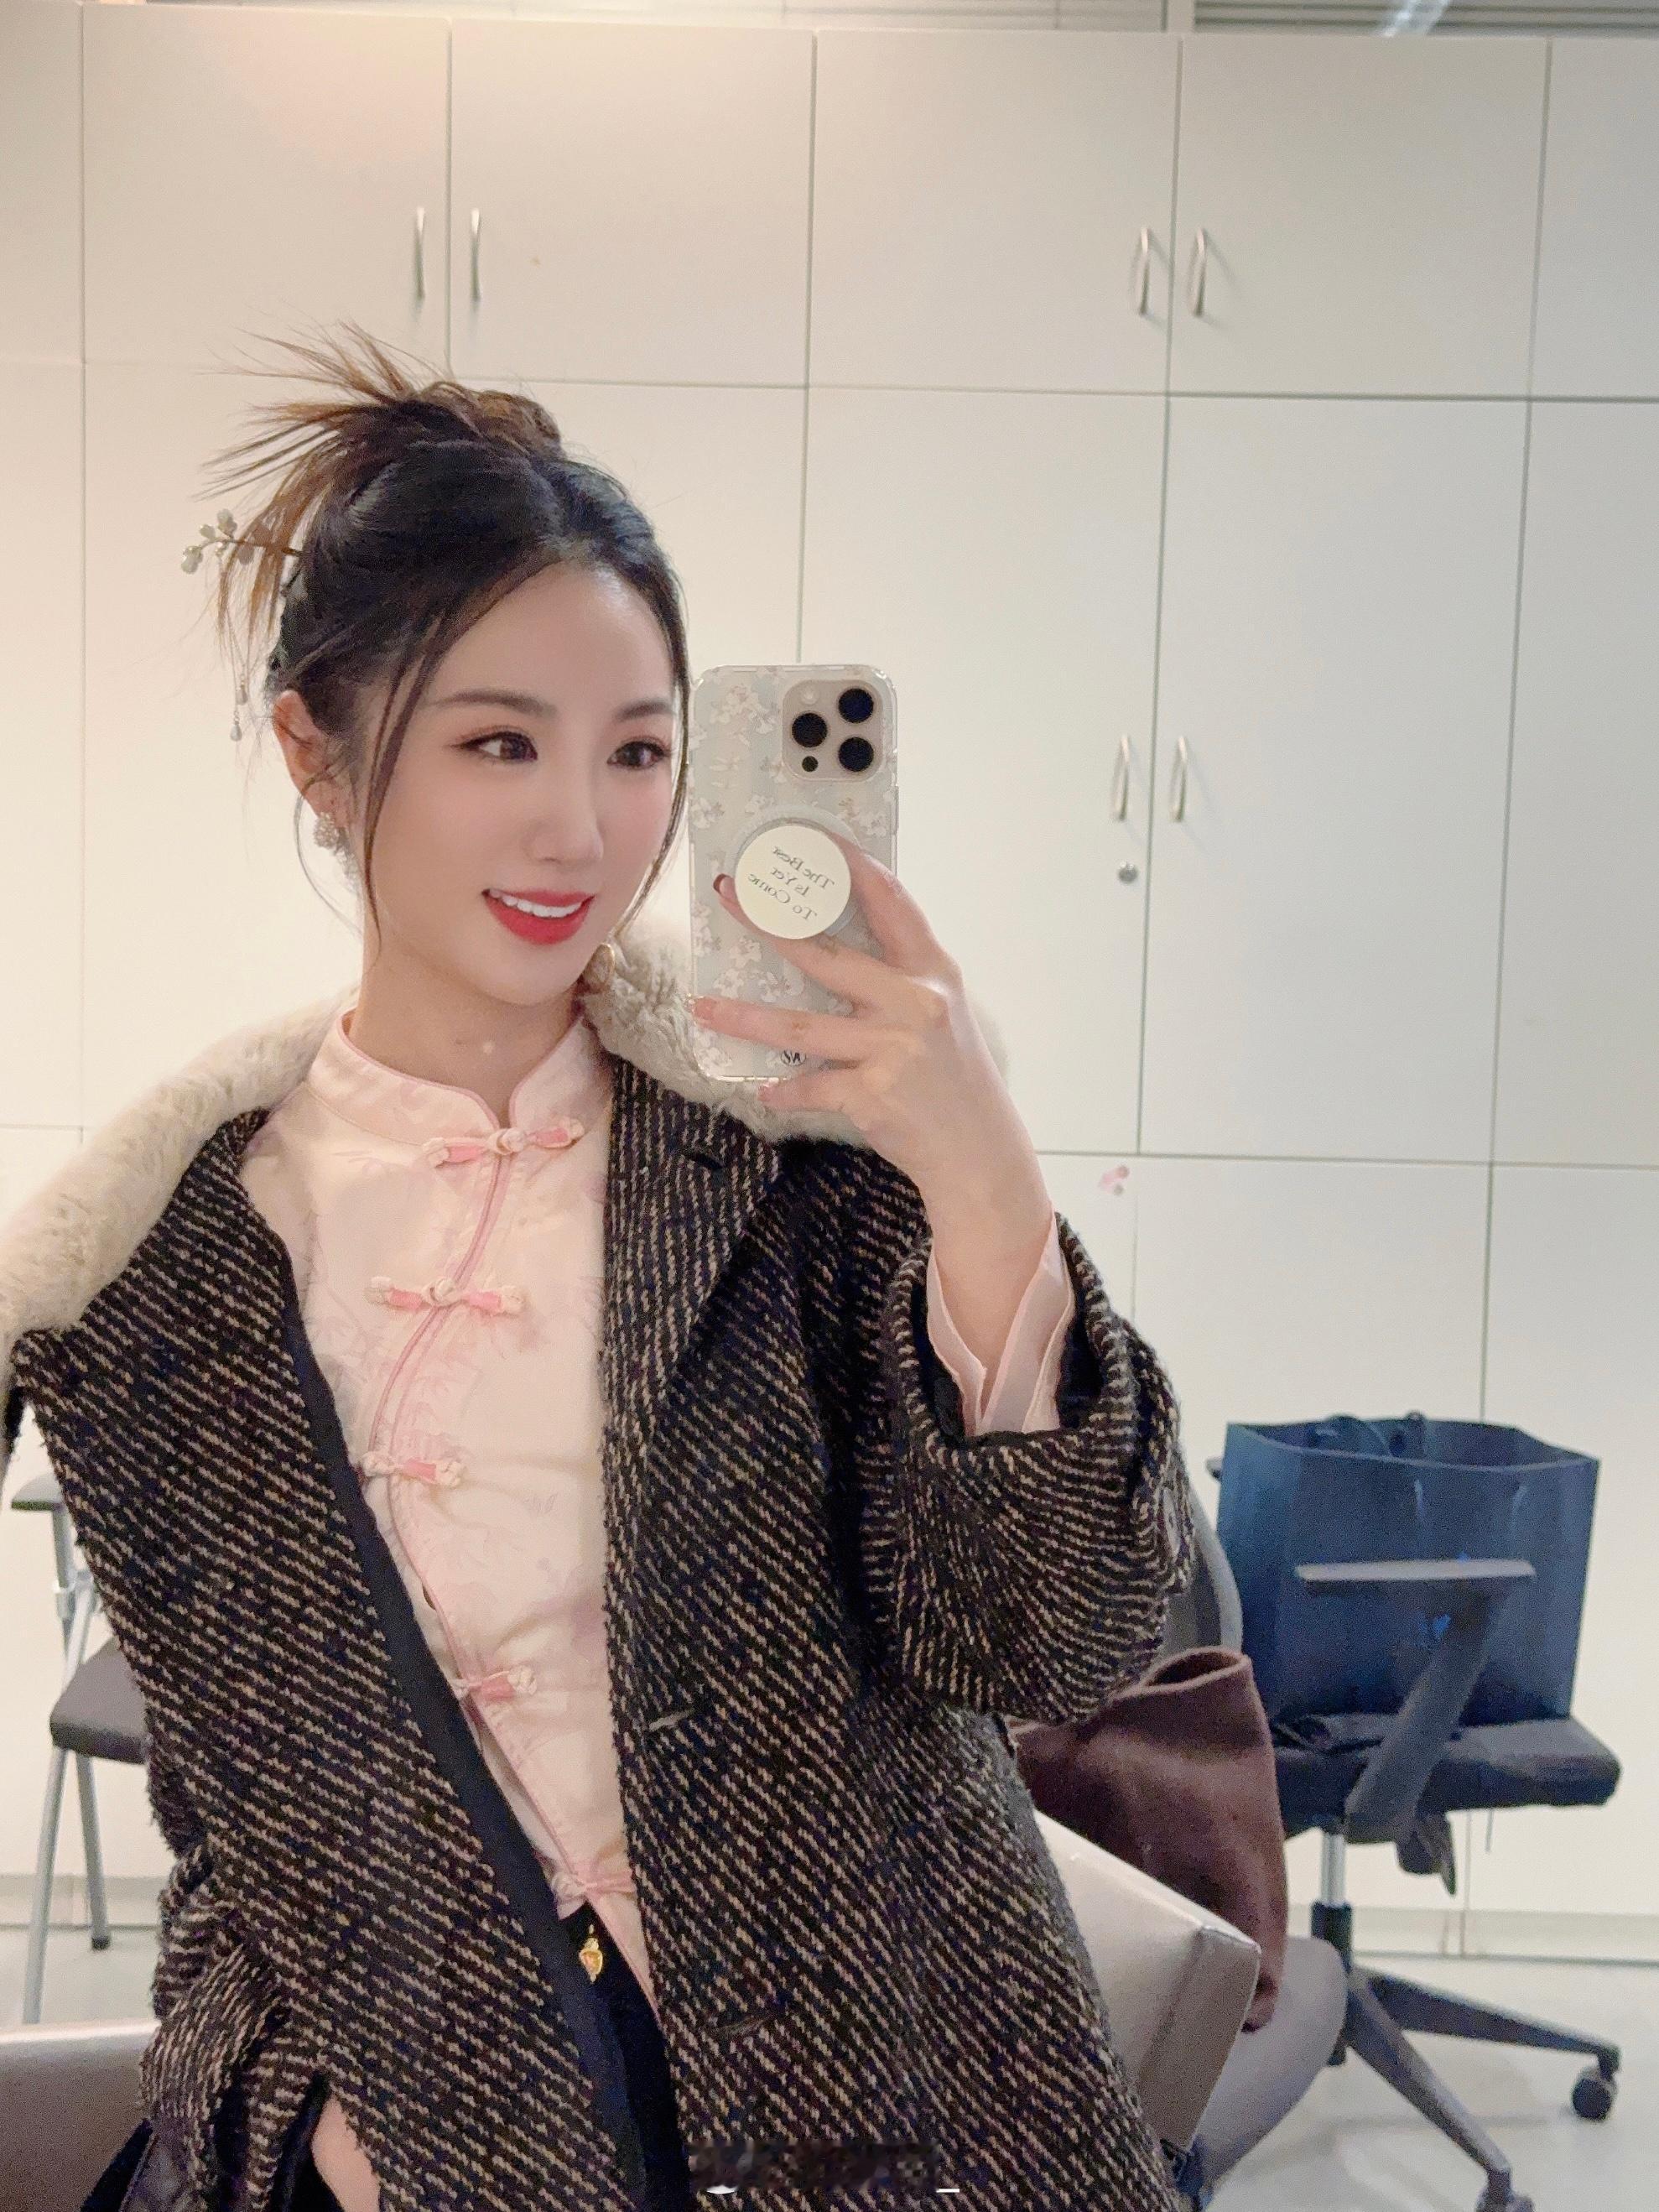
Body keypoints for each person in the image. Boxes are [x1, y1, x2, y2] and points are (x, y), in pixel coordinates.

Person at [0, 321, 1196, 2212]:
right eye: (498, 742)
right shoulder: (154, 1286)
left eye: (638, 749)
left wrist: (981, 1173)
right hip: (420, 2151)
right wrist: (303, 2113)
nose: (582, 829)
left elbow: (1053, 1638)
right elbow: (242, 1853)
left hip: (888, 2124)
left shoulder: (791, 1172)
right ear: (317, 752)